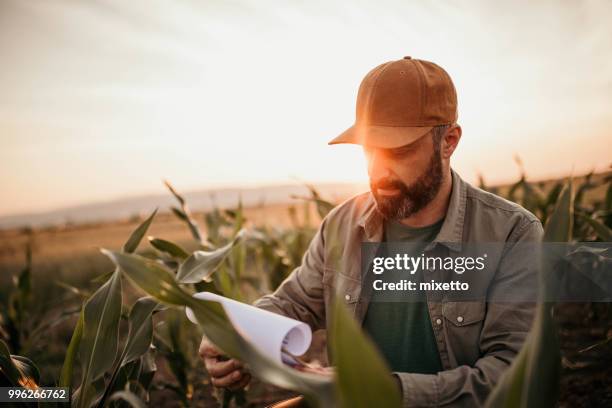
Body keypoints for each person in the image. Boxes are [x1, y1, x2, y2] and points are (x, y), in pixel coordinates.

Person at [199, 56, 542, 407]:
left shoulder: (513, 234)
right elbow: (295, 302)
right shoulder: (341, 224)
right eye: (369, 150)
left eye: (399, 151)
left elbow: (510, 373)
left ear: (449, 141)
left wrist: (382, 391)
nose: (379, 171)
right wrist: (240, 333)